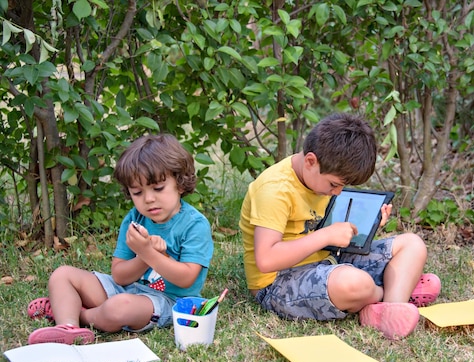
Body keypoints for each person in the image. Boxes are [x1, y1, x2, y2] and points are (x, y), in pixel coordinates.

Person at [239, 113, 441, 340]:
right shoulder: (274, 190)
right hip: (278, 283)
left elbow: (332, 228)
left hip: (329, 260)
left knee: (412, 244)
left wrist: (369, 225)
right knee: (354, 283)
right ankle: (390, 292)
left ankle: (392, 307)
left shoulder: (319, 179)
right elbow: (266, 260)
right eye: (334, 184)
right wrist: (325, 236)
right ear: (310, 162)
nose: (337, 192)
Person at [27, 133, 214, 345]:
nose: (149, 199)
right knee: (62, 275)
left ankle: (82, 315)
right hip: (126, 289)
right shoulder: (135, 219)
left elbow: (186, 278)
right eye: (137, 192)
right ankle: (67, 326)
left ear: (180, 183)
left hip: (167, 301)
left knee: (119, 306)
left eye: (158, 188)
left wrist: (147, 253)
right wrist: (144, 255)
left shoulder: (194, 225)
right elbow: (119, 276)